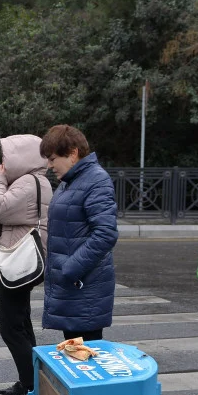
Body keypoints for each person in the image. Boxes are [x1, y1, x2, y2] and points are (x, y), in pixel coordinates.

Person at [0, 135, 52, 395]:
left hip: (19, 261)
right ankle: (28, 382)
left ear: (22, 157)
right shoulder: (23, 181)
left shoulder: (28, 182)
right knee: (21, 323)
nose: (2, 164)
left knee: (11, 327)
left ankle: (34, 388)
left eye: (6, 157)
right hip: (11, 259)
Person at [40, 125, 118, 342]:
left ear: (73, 153)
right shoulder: (71, 181)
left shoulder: (95, 180)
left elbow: (105, 234)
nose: (49, 165)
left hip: (84, 287)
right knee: (74, 358)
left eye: (53, 158)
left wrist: (70, 269)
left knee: (86, 363)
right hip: (74, 287)